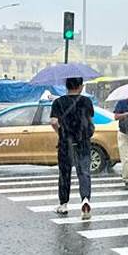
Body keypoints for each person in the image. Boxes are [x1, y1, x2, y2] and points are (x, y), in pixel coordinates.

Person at [50, 77, 94, 220]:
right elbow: (89, 119)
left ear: (66, 86)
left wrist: (60, 132)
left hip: (65, 143)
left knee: (64, 173)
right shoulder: (86, 101)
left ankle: (63, 205)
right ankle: (85, 200)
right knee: (84, 173)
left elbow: (53, 122)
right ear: (80, 86)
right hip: (83, 142)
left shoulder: (58, 102)